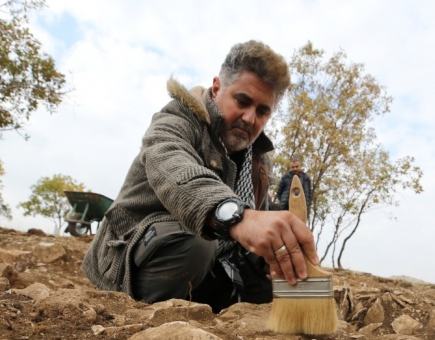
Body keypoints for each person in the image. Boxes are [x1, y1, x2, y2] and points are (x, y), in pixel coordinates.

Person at [82, 41, 321, 312]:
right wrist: (236, 216)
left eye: (263, 111)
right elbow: (173, 166)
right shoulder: (178, 118)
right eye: (242, 101)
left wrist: (282, 245)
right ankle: (153, 315)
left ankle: (215, 307)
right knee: (197, 243)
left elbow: (259, 225)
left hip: (211, 264)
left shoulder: (259, 158)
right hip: (133, 256)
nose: (250, 118)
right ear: (217, 88)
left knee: (276, 260)